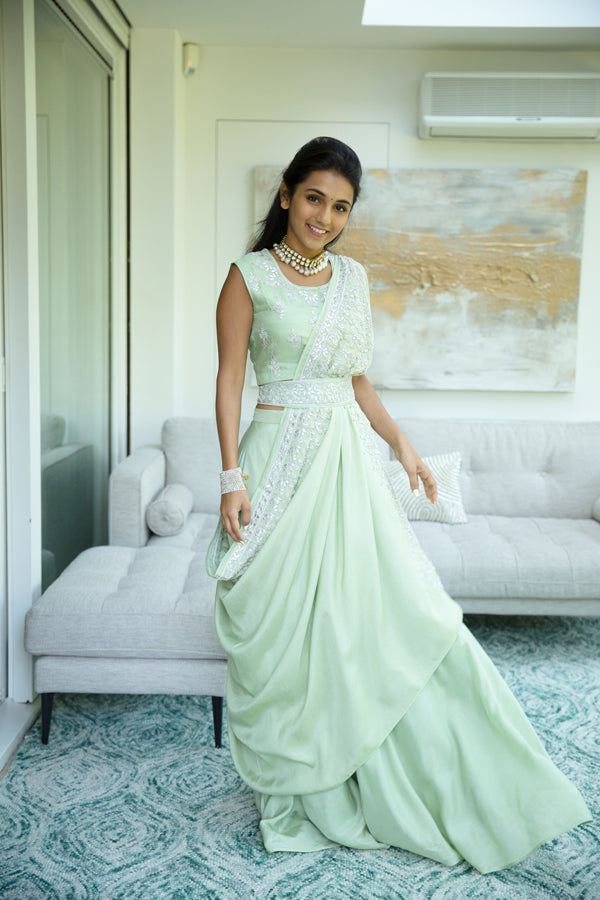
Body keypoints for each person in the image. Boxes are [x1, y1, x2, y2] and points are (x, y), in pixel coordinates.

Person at [206, 136, 591, 873]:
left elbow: (357, 381)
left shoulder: (352, 278)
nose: (325, 217)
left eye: (341, 207)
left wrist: (404, 448)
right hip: (276, 462)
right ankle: (302, 784)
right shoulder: (247, 277)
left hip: (346, 465)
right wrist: (231, 476)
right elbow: (228, 380)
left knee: (377, 621)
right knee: (289, 633)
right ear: (286, 194)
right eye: (314, 198)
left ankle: (416, 773)